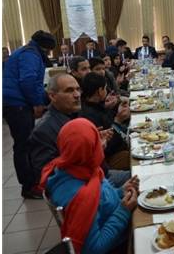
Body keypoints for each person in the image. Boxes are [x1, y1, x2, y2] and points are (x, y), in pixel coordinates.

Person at [40, 118, 139, 254]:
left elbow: (101, 202)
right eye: (96, 140)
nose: (101, 143)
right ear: (91, 149)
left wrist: (120, 192)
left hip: (117, 220)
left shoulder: (74, 169)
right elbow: (93, 249)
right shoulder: (82, 196)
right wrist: (124, 211)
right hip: (120, 244)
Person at [27, 74, 131, 188]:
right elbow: (47, 177)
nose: (77, 95)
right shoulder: (43, 131)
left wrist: (93, 140)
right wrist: (90, 151)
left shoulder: (71, 114)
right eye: (69, 91)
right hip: (87, 186)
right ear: (52, 96)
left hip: (99, 174)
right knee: (143, 178)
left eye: (78, 89)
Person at [3, 30, 55, 199]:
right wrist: (37, 103)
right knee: (24, 146)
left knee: (24, 145)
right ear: (44, 47)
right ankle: (29, 186)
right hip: (17, 104)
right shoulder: (30, 55)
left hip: (15, 102)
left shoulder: (26, 51)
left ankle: (32, 182)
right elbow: (28, 81)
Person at [79, 72, 130, 170]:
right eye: (105, 88)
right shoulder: (90, 115)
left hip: (119, 145)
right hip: (107, 159)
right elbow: (109, 146)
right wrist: (118, 121)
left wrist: (115, 107)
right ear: (99, 91)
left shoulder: (93, 104)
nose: (107, 91)